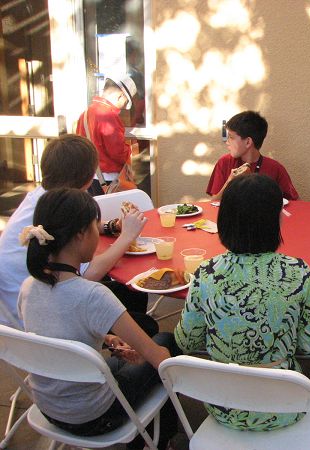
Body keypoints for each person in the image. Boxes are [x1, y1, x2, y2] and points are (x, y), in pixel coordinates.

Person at [18, 188, 179, 450]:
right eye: (96, 225)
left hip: (48, 409)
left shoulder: (28, 287)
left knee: (128, 358)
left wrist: (110, 340)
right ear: (81, 234)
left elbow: (55, 331)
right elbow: (157, 357)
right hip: (96, 416)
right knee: (167, 341)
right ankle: (158, 441)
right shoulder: (93, 295)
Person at [176, 174, 310, 431]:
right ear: (275, 221)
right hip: (285, 406)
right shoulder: (298, 272)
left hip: (223, 406)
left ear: (224, 220)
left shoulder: (206, 273)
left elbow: (186, 341)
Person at [0, 134, 155, 333]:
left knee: (130, 292)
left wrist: (111, 226)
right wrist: (127, 237)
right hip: (41, 320)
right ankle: (122, 343)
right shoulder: (61, 209)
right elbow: (90, 274)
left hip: (18, 311)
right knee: (144, 322)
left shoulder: (44, 197)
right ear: (88, 179)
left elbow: (71, 226)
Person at [206, 111, 299, 201]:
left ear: (248, 142)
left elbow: (296, 203)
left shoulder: (275, 168)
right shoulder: (224, 162)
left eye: (231, 137)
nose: (227, 142)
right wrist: (230, 181)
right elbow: (214, 202)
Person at [76, 75, 137, 196]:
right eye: (125, 102)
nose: (124, 107)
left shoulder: (85, 113)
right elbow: (117, 152)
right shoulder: (109, 115)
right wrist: (132, 151)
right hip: (108, 179)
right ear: (120, 96)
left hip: (90, 176)